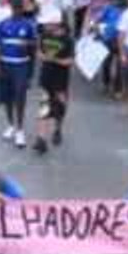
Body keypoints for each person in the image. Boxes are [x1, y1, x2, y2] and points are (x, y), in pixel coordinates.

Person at [0, 0, 38, 149]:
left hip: (21, 66)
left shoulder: (28, 25)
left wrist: (31, 72)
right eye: (14, 7)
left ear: (23, 8)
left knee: (20, 97)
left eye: (19, 8)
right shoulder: (3, 24)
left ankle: (20, 129)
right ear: (11, 7)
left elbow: (34, 48)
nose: (17, 10)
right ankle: (11, 125)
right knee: (7, 98)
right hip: (5, 65)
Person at [32, 14, 74, 155]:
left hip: (61, 78)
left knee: (60, 107)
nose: (45, 25)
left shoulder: (67, 40)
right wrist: (42, 56)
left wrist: (54, 59)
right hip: (46, 76)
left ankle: (57, 128)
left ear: (57, 23)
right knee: (44, 106)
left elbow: (69, 61)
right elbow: (39, 52)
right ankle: (41, 139)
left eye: (48, 23)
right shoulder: (44, 36)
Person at [96, 0, 127, 98]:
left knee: (120, 66)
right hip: (108, 39)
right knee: (106, 63)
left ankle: (117, 89)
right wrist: (97, 28)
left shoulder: (127, 12)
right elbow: (98, 19)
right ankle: (106, 83)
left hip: (122, 41)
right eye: (114, 0)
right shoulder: (108, 8)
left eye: (117, 0)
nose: (115, 2)